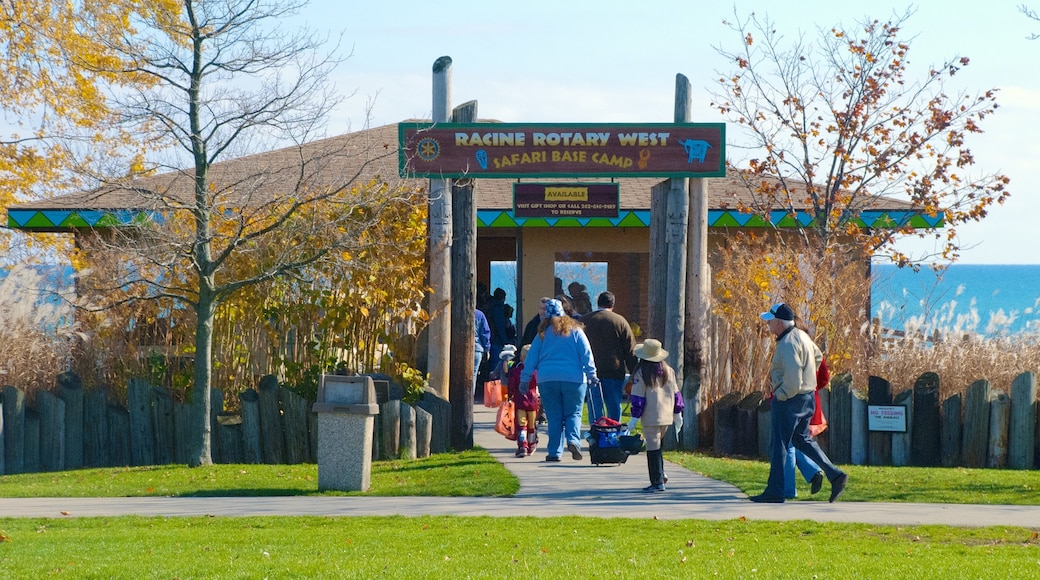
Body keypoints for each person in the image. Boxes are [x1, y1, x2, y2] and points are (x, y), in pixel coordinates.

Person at [750, 303, 848, 504]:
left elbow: (793, 378)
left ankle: (775, 491)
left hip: (790, 400)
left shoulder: (787, 343)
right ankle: (835, 474)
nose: (769, 324)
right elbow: (818, 356)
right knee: (802, 440)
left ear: (779, 322)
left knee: (779, 445)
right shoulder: (803, 336)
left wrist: (782, 394)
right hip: (807, 398)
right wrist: (808, 378)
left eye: (771, 320)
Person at [519, 298, 600, 462]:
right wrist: (592, 374)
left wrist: (525, 379)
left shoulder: (542, 334)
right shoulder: (576, 330)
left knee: (554, 415)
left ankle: (555, 452)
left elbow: (531, 358)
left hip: (547, 379)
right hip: (574, 379)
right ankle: (573, 440)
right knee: (574, 412)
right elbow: (586, 354)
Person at [628, 339, 684, 492]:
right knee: (657, 447)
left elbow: (638, 398)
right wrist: (678, 413)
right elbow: (677, 394)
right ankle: (661, 474)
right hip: (666, 416)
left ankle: (657, 481)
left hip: (651, 415)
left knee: (652, 449)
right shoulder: (669, 371)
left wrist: (634, 418)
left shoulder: (641, 373)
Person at [581, 291, 637, 422]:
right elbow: (630, 350)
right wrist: (634, 371)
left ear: (598, 303)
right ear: (612, 304)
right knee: (614, 404)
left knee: (594, 405)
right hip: (614, 370)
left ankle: (596, 433)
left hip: (590, 371)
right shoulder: (620, 321)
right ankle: (614, 430)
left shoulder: (584, 321)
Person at [507, 344, 540, 457]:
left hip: (520, 400)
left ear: (521, 357)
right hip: (533, 401)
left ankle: (522, 446)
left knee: (521, 425)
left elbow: (511, 385)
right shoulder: (536, 371)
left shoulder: (516, 370)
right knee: (531, 424)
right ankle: (531, 444)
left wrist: (510, 395)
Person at [486, 288, 512, 363]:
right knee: (498, 366)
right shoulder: (498, 309)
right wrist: (505, 341)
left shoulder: (490, 307)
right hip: (497, 341)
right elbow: (500, 327)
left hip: (492, 339)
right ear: (503, 298)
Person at [473, 308, 491, 400]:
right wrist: (487, 348)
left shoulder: (455, 310)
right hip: (477, 348)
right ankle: (470, 398)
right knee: (473, 374)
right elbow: (485, 333)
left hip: (457, 347)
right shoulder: (479, 314)